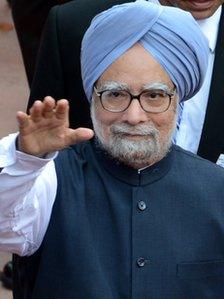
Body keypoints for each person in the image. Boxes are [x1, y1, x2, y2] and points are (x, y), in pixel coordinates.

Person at [2, 2, 224, 298]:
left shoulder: (216, 189)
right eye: (116, 95)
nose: (134, 116)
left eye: (154, 96)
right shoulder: (48, 180)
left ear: (178, 100)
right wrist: (25, 160)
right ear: (92, 97)